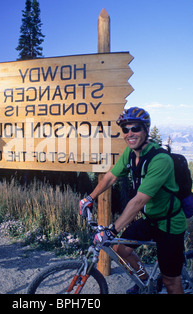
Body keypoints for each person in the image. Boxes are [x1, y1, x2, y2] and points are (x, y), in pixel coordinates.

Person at [79, 107, 187, 294]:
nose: (130, 133)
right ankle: (145, 283)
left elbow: (138, 202)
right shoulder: (131, 154)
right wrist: (89, 198)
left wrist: (112, 230)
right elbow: (110, 177)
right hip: (151, 219)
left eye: (135, 128)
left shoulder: (160, 160)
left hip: (170, 224)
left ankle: (166, 285)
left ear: (146, 130)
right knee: (122, 249)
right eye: (126, 129)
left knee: (171, 281)